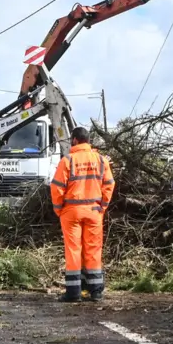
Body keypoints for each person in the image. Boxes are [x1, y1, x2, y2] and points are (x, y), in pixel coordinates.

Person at [50, 126, 115, 302]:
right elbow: (109, 185)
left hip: (71, 211)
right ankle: (96, 291)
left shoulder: (67, 160)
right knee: (93, 250)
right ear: (88, 140)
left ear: (75, 140)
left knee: (73, 250)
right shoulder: (101, 160)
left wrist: (58, 209)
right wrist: (103, 207)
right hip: (94, 211)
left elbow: (57, 187)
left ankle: (73, 293)